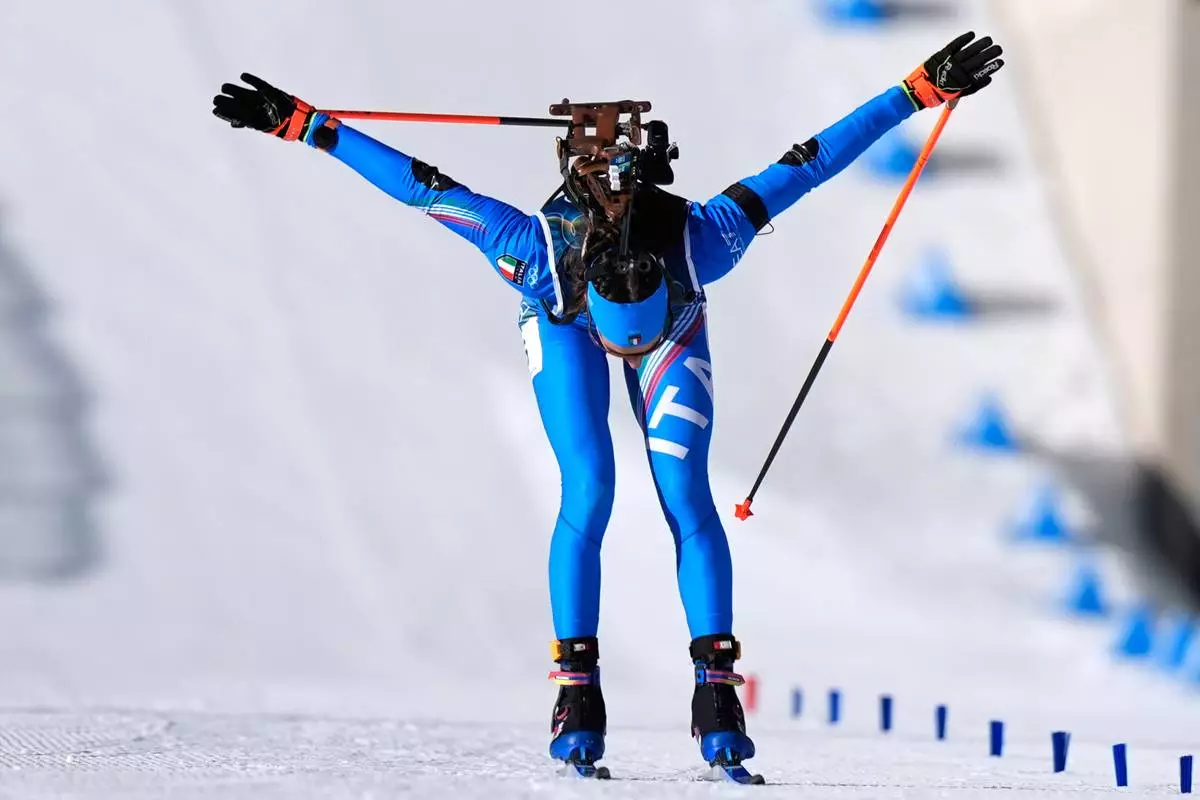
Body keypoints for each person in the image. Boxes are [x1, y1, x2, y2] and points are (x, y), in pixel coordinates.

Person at [213, 31, 1003, 778]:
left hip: (675, 330)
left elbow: (810, 163)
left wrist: (916, 91)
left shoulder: (705, 238)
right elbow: (421, 186)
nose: (626, 352)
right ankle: (576, 689)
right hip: (562, 324)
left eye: (635, 340)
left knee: (687, 496)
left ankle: (716, 687)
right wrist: (305, 126)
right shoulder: (528, 251)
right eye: (623, 342)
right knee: (589, 485)